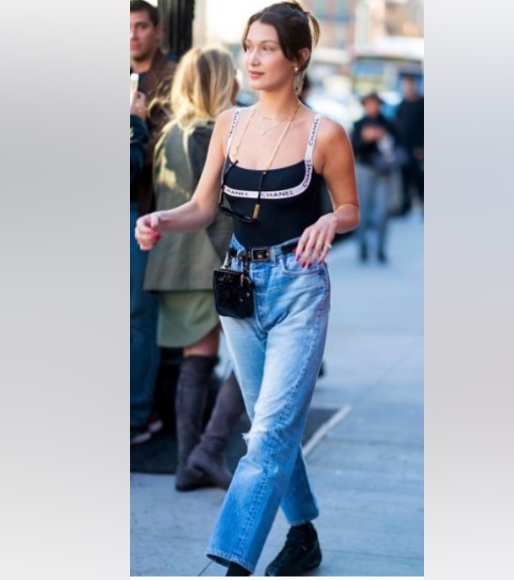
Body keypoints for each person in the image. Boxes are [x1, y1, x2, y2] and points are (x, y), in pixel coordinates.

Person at [135, 2, 359, 576]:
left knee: (270, 432)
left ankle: (233, 562)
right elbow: (203, 206)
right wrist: (161, 220)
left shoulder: (325, 134)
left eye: (267, 49)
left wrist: (328, 220)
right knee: (267, 427)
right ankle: (303, 533)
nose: (252, 59)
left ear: (298, 58)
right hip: (239, 287)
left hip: (299, 289)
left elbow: (351, 209)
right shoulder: (230, 124)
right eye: (249, 46)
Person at [142, 46, 246, 492]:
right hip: (210, 262)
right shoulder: (210, 134)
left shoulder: (170, 132)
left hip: (174, 264)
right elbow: (218, 210)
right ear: (221, 82)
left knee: (196, 363)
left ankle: (190, 463)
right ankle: (209, 450)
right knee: (256, 358)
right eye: (233, 74)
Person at [129, 0, 177, 444]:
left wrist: (138, 122)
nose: (132, 35)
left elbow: (171, 148)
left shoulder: (173, 77)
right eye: (127, 27)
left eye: (141, 26)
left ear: (157, 31)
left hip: (147, 207)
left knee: (139, 312)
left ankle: (138, 414)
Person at [351, 91, 401, 264]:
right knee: (362, 210)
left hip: (383, 171)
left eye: (375, 104)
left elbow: (398, 146)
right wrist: (366, 139)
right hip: (364, 169)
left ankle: (380, 249)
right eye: (369, 104)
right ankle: (362, 247)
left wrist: (384, 138)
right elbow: (353, 148)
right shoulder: (359, 124)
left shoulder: (388, 124)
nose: (372, 107)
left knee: (382, 212)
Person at [394, 74, 424, 217]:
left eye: (409, 85)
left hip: (417, 149)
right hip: (403, 149)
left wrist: (422, 146)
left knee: (419, 179)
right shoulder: (402, 105)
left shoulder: (422, 104)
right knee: (404, 179)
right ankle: (405, 206)